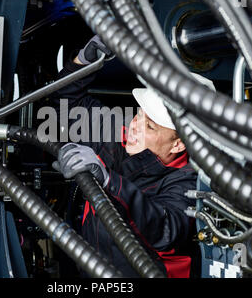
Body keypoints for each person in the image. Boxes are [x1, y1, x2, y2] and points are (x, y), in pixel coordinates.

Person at [50, 35, 199, 278]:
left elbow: (166, 229)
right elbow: (68, 103)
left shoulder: (189, 182)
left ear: (178, 144)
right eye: (138, 114)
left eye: (150, 127)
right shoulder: (119, 136)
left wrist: (108, 181)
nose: (134, 126)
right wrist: (84, 61)